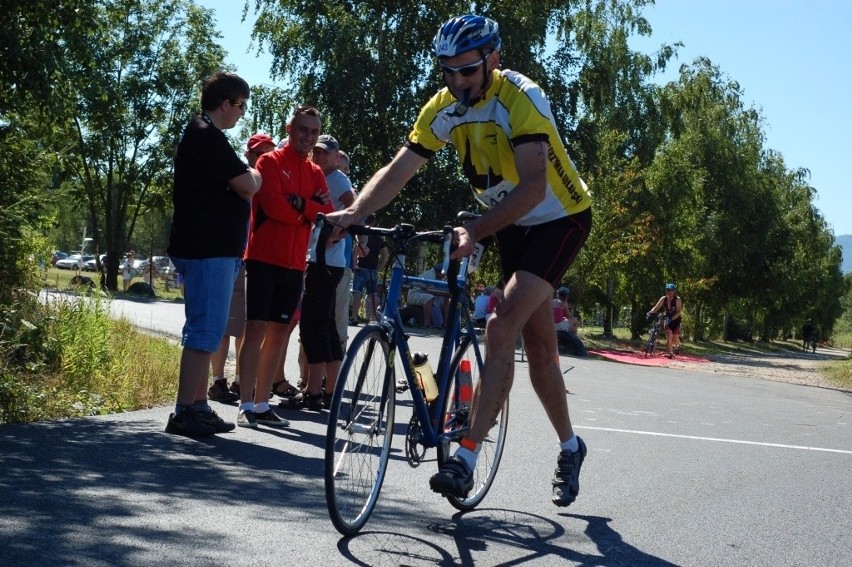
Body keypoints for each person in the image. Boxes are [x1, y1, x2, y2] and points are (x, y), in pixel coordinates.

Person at [327, 15, 593, 507]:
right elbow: (400, 168)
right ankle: (571, 446)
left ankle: (466, 456)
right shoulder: (445, 107)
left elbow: (535, 187)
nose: (456, 81)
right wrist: (356, 211)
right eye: (446, 71)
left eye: (466, 70)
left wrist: (475, 229)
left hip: (559, 218)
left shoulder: (522, 97)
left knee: (499, 324)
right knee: (536, 347)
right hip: (511, 222)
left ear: (493, 59)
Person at [164, 71, 261, 437]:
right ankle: (186, 410)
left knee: (208, 327)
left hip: (210, 250)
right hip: (207, 251)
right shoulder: (206, 134)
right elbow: (247, 185)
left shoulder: (204, 133)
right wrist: (255, 174)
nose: (241, 114)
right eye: (241, 106)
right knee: (205, 330)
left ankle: (196, 406)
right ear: (226, 104)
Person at [236, 105, 332, 428]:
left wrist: (302, 205)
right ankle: (245, 402)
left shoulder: (316, 172)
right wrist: (306, 211)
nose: (308, 137)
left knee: (279, 335)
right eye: (303, 129)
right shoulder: (269, 162)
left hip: (294, 265)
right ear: (290, 129)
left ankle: (262, 403)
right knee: (255, 332)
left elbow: (326, 213)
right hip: (263, 259)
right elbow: (274, 206)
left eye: (314, 132)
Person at [281, 134, 356, 411]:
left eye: (326, 152)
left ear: (337, 156)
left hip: (325, 262)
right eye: (317, 152)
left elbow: (353, 210)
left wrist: (338, 234)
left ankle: (314, 392)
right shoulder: (322, 176)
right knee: (324, 326)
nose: (320, 156)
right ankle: (329, 391)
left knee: (314, 327)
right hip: (322, 260)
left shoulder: (338, 179)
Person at [208, 133, 276, 404]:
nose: (263, 160)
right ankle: (217, 381)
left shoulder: (271, 185)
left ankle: (239, 380)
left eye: (268, 155)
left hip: (256, 261)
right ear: (248, 154)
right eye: (259, 154)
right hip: (233, 256)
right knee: (226, 324)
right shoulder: (241, 177)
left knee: (248, 327)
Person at [350, 214, 388, 323]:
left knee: (357, 292)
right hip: (373, 269)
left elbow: (356, 249)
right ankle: (374, 317)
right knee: (373, 294)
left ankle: (354, 317)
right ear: (374, 222)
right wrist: (381, 266)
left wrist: (353, 262)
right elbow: (385, 254)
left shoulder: (362, 232)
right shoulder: (378, 236)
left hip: (360, 267)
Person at [647, 282, 683, 358]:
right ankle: (670, 353)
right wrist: (651, 312)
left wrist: (672, 318)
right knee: (669, 336)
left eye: (672, 290)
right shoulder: (663, 299)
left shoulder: (677, 299)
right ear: (666, 290)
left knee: (675, 337)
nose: (670, 292)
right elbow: (656, 307)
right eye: (668, 290)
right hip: (667, 318)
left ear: (674, 291)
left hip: (676, 319)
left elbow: (679, 311)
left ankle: (677, 346)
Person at [406, 264, 448, 329]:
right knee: (429, 298)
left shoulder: (440, 277)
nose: (445, 275)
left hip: (425, 294)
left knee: (445, 299)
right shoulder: (430, 275)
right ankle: (427, 324)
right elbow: (430, 290)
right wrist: (446, 293)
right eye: (444, 273)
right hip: (415, 294)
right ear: (438, 272)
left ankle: (445, 323)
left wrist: (447, 294)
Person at [552, 286, 587, 357]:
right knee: (575, 320)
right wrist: (566, 305)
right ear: (566, 296)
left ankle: (568, 333)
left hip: (552, 324)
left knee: (565, 321)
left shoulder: (552, 301)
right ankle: (574, 335)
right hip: (559, 325)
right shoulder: (563, 303)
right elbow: (569, 316)